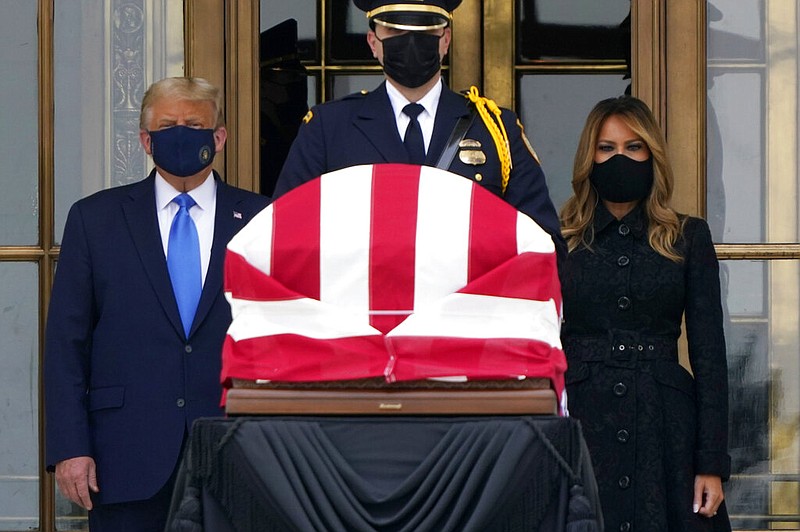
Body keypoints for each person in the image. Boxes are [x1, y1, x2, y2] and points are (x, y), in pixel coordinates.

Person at [43, 77, 269, 531]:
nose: (181, 133)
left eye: (194, 124)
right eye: (167, 126)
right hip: (123, 458)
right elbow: (66, 344)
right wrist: (70, 447)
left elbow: (288, 334)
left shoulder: (264, 218)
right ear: (146, 140)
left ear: (219, 138)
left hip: (240, 452)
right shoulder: (95, 218)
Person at [559, 95, 731, 531]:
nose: (621, 157)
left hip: (667, 427)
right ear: (589, 157)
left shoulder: (687, 237)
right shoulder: (560, 240)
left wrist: (711, 462)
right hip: (580, 418)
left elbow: (710, 354)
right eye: (607, 147)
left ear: (652, 155)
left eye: (634, 147)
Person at [273, 0, 564, 255]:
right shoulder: (329, 128)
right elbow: (284, 235)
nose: (410, 42)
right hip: (360, 311)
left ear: (445, 39)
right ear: (373, 42)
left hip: (465, 313)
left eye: (424, 32)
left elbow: (542, 242)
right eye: (396, 31)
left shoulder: (495, 130)